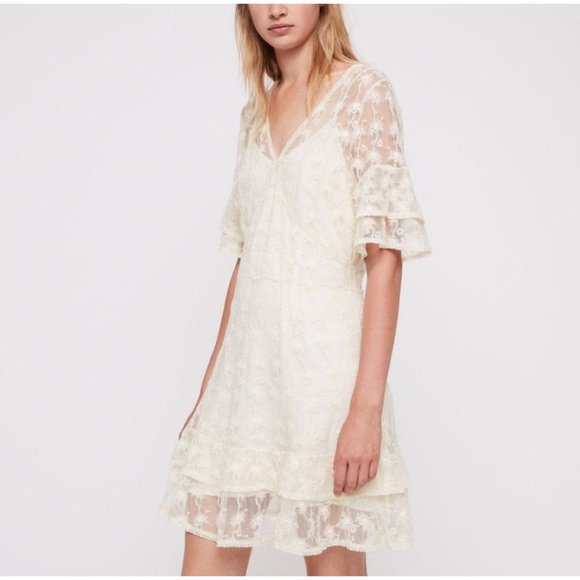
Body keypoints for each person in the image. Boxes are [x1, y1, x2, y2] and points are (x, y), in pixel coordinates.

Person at [159, 4, 432, 576]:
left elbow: (385, 257)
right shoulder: (255, 113)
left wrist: (365, 412)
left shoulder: (363, 93)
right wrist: (208, 395)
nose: (276, 8)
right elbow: (249, 261)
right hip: (244, 385)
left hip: (325, 384)